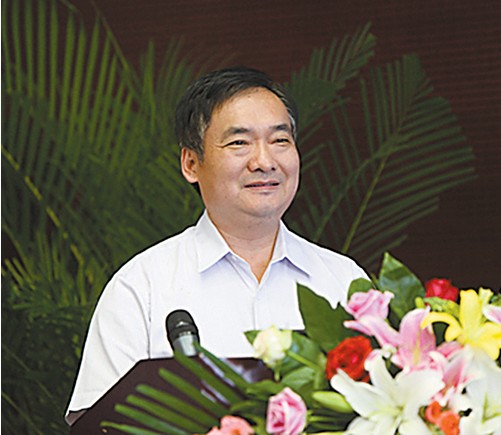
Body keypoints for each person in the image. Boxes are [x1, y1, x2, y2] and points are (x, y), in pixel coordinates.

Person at [66, 67, 369, 424]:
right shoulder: (141, 288)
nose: (264, 161)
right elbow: (100, 426)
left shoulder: (345, 282)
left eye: (280, 140)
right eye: (239, 143)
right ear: (191, 163)